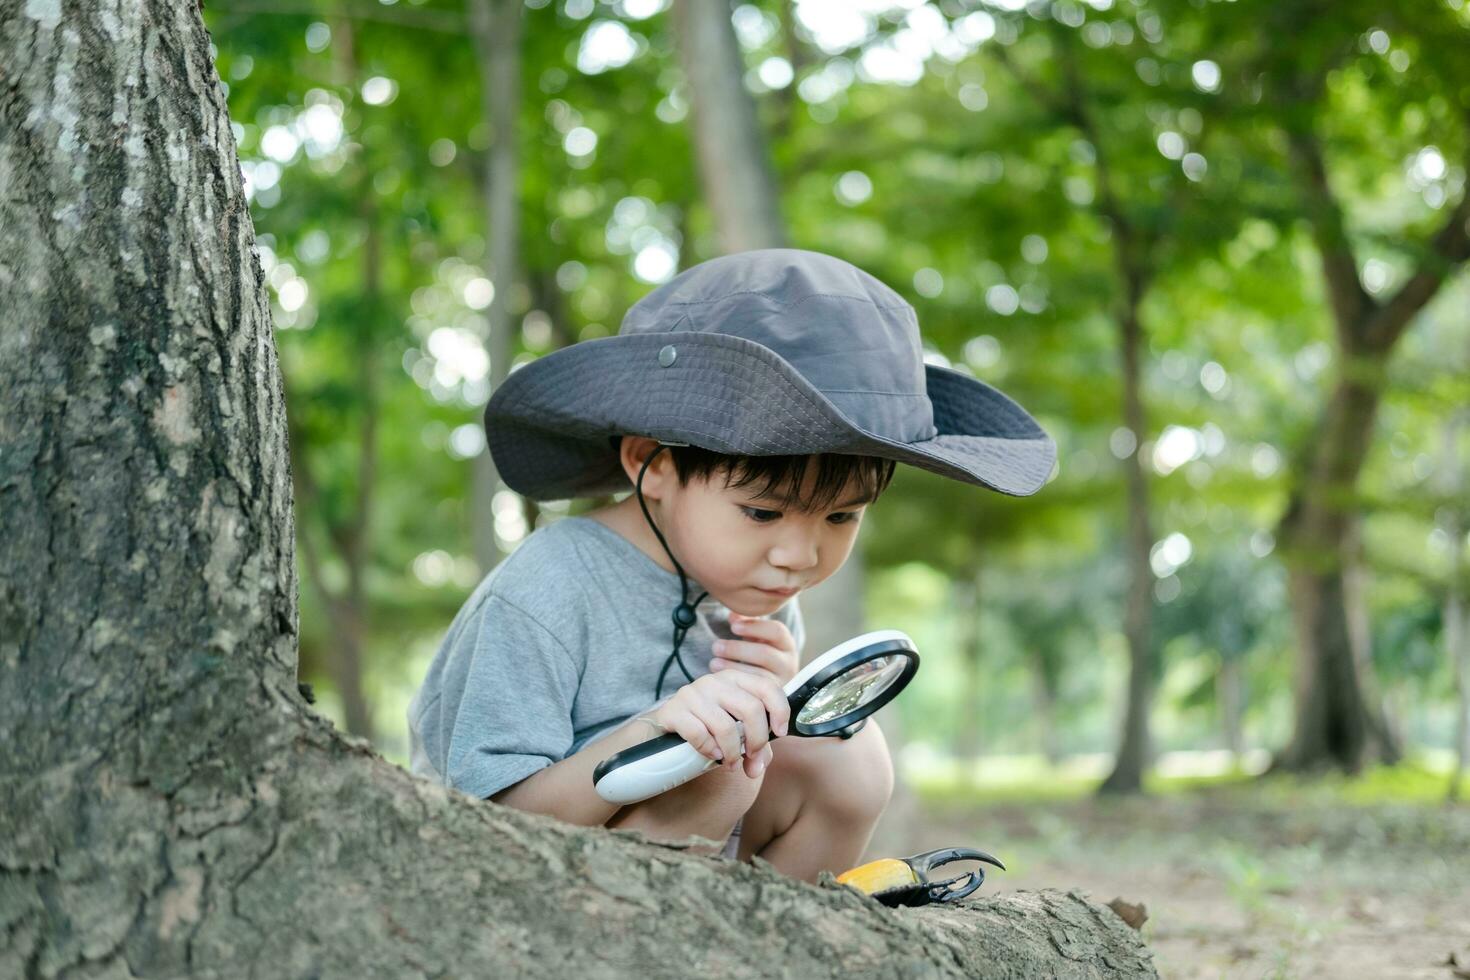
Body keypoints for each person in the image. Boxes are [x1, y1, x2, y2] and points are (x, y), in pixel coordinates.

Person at [405, 247, 1054, 883]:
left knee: (849, 758)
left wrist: (775, 713)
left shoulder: (756, 591)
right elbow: (485, 823)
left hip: (694, 866)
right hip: (533, 876)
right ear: (651, 465)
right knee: (711, 769)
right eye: (763, 514)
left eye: (841, 517)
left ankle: (780, 938)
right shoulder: (547, 589)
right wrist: (658, 730)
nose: (798, 557)